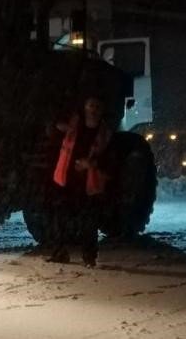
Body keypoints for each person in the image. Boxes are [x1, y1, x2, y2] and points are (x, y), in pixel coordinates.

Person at [46, 96, 113, 267]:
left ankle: (89, 256)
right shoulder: (73, 125)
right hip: (66, 181)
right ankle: (59, 252)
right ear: (85, 107)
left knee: (88, 221)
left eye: (97, 106)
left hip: (88, 185)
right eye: (91, 105)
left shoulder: (105, 133)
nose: (94, 109)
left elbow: (111, 160)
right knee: (60, 218)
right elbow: (53, 134)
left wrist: (91, 163)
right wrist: (55, 126)